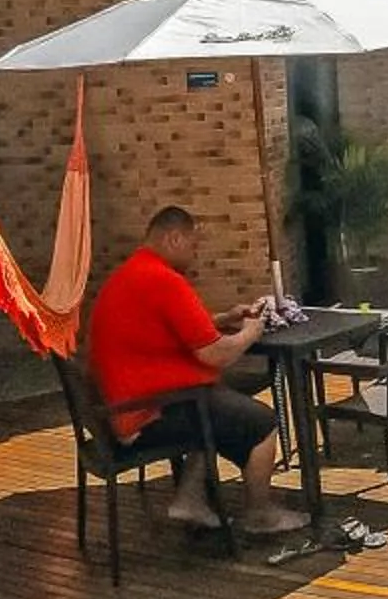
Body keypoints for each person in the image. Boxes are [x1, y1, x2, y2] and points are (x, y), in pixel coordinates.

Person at [85, 205, 300, 536]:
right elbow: (216, 354)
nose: (195, 253)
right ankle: (260, 515)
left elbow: (172, 329)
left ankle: (190, 499)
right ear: (174, 238)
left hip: (126, 406)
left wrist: (225, 318)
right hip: (144, 416)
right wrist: (251, 332)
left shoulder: (133, 273)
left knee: (220, 403)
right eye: (193, 244)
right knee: (262, 423)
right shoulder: (163, 280)